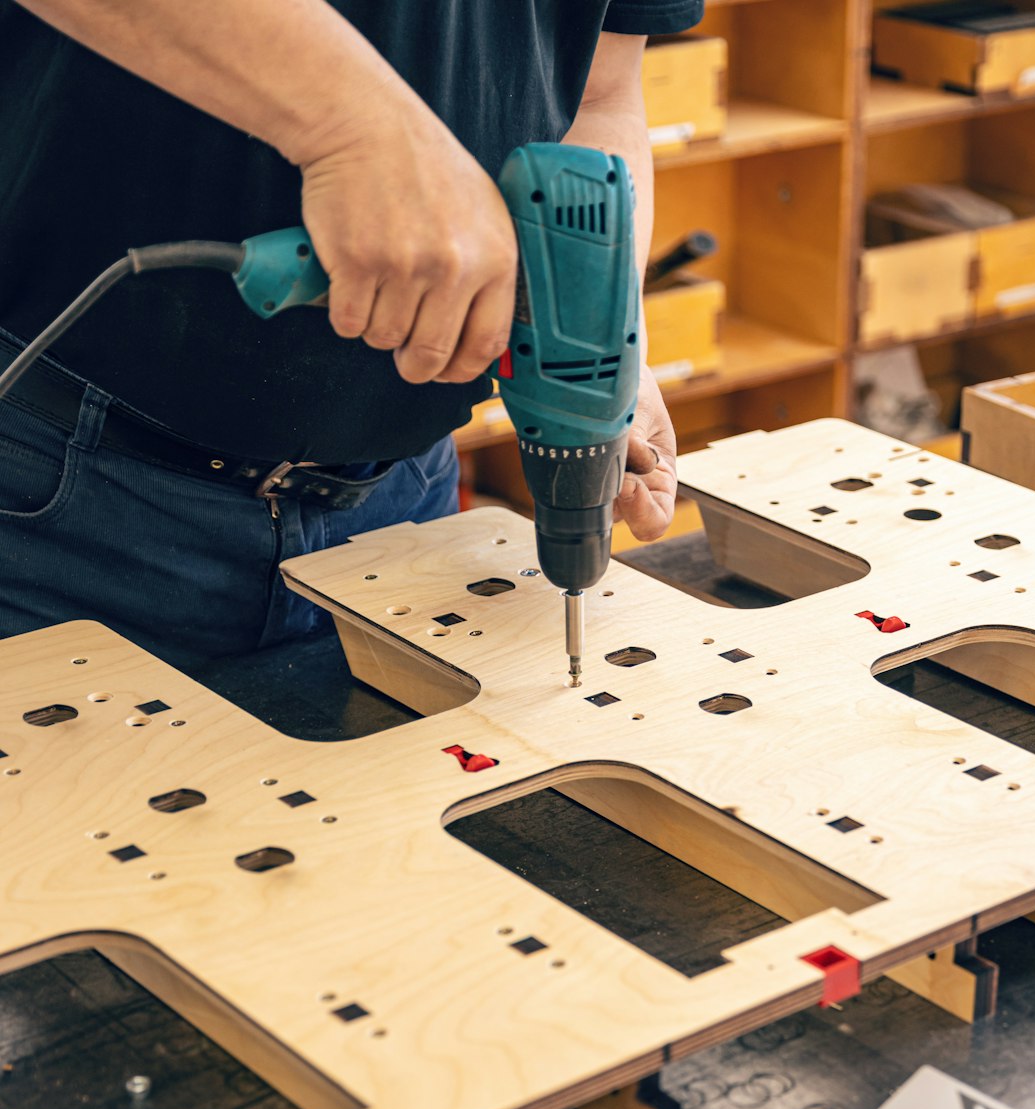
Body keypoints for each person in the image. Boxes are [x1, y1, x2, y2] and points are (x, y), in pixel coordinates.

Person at [0, 1, 701, 670]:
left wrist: (600, 334)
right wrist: (355, 131)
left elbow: (600, 98)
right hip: (64, 499)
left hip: (402, 499)